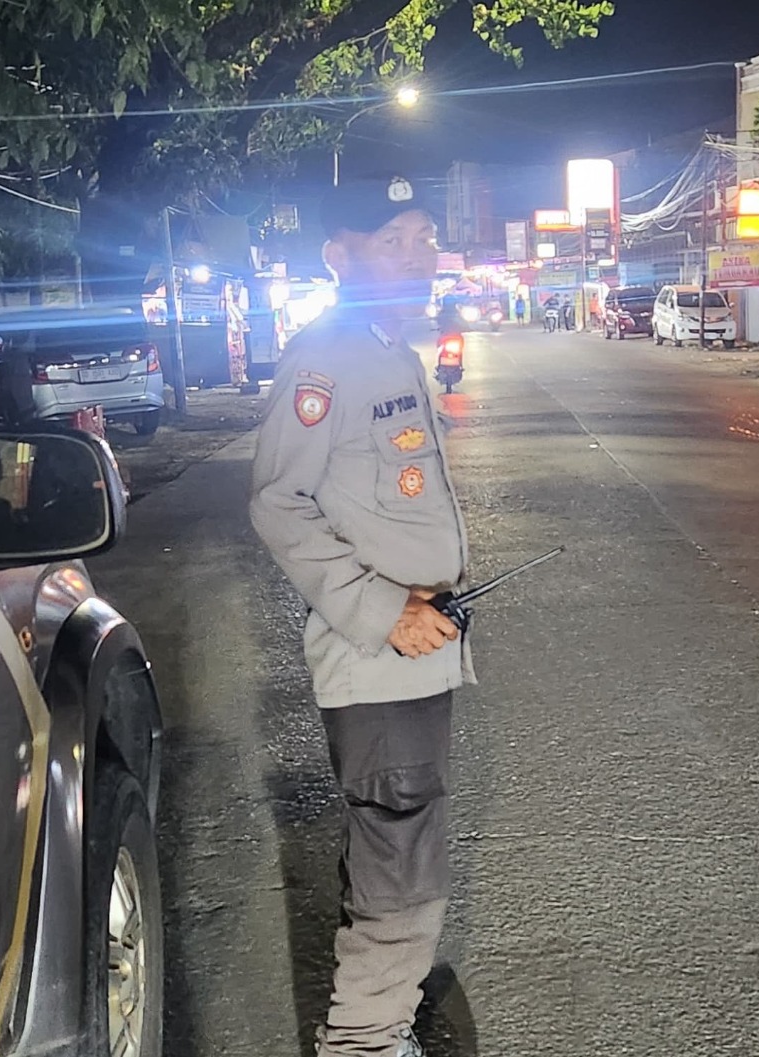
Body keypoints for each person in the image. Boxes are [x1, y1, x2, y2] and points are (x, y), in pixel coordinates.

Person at [250, 173, 471, 1057]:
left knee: (397, 835)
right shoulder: (326, 359)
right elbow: (278, 502)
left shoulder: (390, 349)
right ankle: (365, 1039)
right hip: (378, 654)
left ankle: (383, 1014)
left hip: (416, 649)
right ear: (339, 255)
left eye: (424, 237)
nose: (417, 256)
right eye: (392, 240)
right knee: (400, 848)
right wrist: (384, 611)